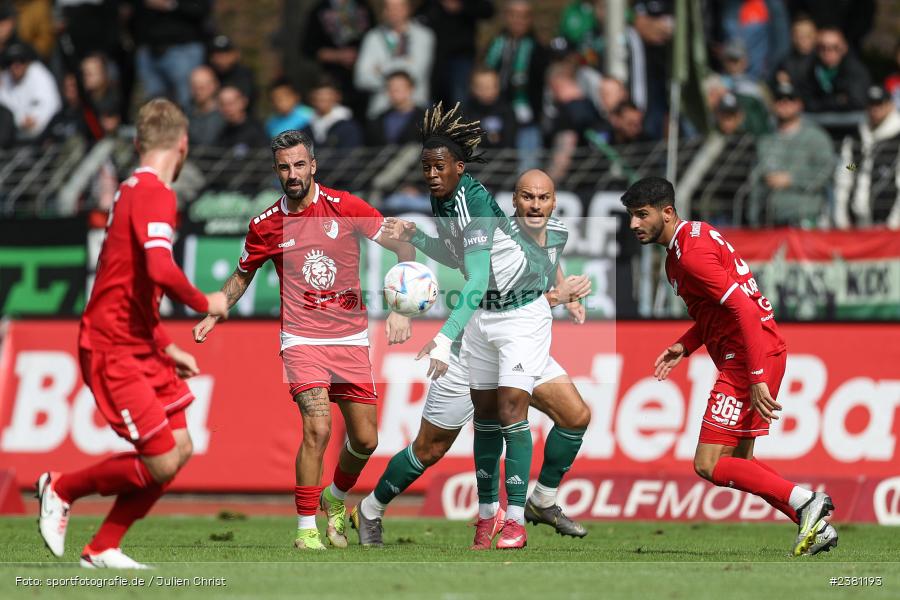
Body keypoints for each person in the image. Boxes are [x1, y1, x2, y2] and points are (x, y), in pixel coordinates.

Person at [192, 129, 416, 551]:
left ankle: (335, 499)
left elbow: (404, 248)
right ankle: (305, 529)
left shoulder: (346, 207)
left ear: (313, 165)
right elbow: (243, 275)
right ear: (276, 170)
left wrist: (402, 307)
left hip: (350, 338)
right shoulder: (265, 225)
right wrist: (214, 310)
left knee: (366, 440)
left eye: (299, 165)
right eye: (284, 167)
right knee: (318, 427)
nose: (292, 174)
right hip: (301, 338)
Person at [36, 98, 229, 569]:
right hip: (112, 345)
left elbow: (131, 281)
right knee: (161, 458)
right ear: (183, 144)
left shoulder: (131, 190)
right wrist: (209, 302)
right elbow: (160, 268)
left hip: (141, 342)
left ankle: (103, 546)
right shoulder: (155, 194)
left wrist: (165, 343)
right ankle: (62, 487)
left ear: (139, 142)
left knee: (181, 448)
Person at [352, 169, 593, 548]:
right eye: (527, 197)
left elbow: (548, 265)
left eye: (543, 198)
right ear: (514, 202)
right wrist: (557, 298)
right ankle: (371, 508)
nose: (534, 205)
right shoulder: (494, 233)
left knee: (575, 416)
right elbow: (490, 286)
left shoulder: (557, 233)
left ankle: (540, 502)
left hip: (521, 339)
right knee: (430, 447)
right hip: (475, 342)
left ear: (554, 202)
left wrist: (567, 292)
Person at [621, 175, 838, 557]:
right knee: (740, 462)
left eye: (642, 215)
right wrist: (685, 345)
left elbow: (743, 308)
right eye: (631, 216)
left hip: (748, 360)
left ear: (667, 212)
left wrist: (754, 377)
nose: (634, 224)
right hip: (761, 353)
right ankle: (816, 524)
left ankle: (805, 500)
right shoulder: (690, 242)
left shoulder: (690, 254)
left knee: (708, 464)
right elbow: (716, 312)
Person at [377, 103, 560, 550]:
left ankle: (516, 519)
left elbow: (477, 278)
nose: (432, 174)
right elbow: (461, 259)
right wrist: (417, 238)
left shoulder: (472, 200)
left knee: (514, 407)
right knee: (486, 420)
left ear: (459, 166)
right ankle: (486, 518)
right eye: (425, 167)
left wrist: (443, 336)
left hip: (520, 312)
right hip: (486, 316)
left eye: (439, 166)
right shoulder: (443, 199)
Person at [749, 82, 834, 227]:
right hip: (769, 220)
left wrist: (792, 179)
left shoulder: (816, 137)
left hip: (805, 217)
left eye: (789, 99)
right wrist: (753, 217)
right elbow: (755, 180)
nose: (784, 103)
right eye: (779, 99)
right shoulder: (765, 140)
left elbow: (828, 170)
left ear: (799, 104)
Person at [483, 0, 549, 167]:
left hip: (526, 118)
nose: (518, 20)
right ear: (506, 17)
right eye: (513, 15)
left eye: (523, 16)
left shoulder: (538, 49)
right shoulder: (495, 44)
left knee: (527, 166)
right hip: (495, 114)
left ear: (530, 19)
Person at [353, 0, 435, 119]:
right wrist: (405, 63)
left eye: (398, 7)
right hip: (380, 110)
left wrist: (380, 69)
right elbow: (360, 78)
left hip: (415, 111)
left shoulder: (424, 36)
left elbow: (415, 73)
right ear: (384, 11)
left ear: (408, 9)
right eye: (389, 8)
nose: (394, 12)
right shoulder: (372, 37)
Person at [834, 85, 900, 229]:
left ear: (890, 105)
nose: (875, 109)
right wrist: (841, 217)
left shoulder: (897, 139)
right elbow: (847, 171)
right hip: (858, 223)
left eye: (879, 104)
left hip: (889, 226)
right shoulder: (856, 139)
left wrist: (894, 224)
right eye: (871, 104)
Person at [300, 0, 374, 119]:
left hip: (363, 82)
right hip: (333, 81)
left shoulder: (363, 6)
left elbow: (374, 37)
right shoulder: (319, 10)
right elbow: (308, 49)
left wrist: (360, 56)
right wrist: (338, 56)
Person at [133, 0, 209, 110]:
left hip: (183, 49)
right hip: (148, 49)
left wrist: (170, 4)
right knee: (154, 107)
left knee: (187, 102)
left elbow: (202, 9)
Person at [793, 26, 870, 113]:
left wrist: (821, 102)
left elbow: (857, 102)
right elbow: (804, 102)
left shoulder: (855, 71)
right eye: (822, 47)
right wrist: (839, 100)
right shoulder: (807, 70)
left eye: (834, 47)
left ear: (844, 48)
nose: (828, 52)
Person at [0, 41, 60, 141]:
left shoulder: (39, 74)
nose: (16, 66)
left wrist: (36, 119)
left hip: (45, 134)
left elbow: (50, 103)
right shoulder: (5, 79)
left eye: (21, 60)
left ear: (28, 62)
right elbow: (6, 109)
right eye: (10, 62)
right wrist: (20, 121)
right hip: (15, 137)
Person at [365, 69, 424, 146]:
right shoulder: (377, 121)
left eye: (399, 87)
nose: (394, 90)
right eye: (390, 87)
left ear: (411, 89)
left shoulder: (427, 120)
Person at [303, 77, 363, 149]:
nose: (322, 99)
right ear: (312, 98)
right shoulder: (306, 128)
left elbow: (352, 155)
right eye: (319, 96)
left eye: (327, 96)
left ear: (337, 97)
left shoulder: (349, 127)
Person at [464, 67, 517, 150]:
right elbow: (469, 140)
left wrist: (484, 138)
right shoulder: (467, 112)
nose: (487, 92)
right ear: (472, 89)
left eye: (491, 87)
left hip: (504, 160)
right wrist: (490, 138)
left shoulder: (507, 110)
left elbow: (509, 141)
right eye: (482, 87)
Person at [207, 34, 258, 113]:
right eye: (217, 54)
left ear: (235, 54)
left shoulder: (244, 74)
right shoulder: (208, 74)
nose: (221, 58)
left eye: (225, 53)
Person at [214, 85, 268, 153]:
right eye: (222, 104)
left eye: (231, 103)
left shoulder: (257, 131)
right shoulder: (221, 133)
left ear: (243, 102)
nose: (227, 109)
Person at [187, 65, 225, 147]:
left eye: (202, 87)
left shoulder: (225, 114)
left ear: (214, 85)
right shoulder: (185, 113)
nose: (198, 91)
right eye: (194, 87)